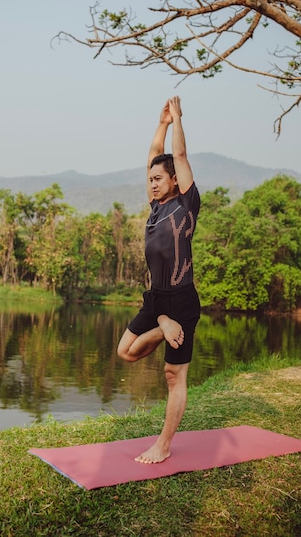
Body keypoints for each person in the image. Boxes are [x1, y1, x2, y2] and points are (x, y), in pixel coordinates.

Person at [117, 96, 201, 464]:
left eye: (157, 179)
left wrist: (178, 120)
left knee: (173, 375)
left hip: (181, 298)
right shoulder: (155, 206)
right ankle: (163, 324)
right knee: (126, 353)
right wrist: (161, 124)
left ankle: (163, 445)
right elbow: (155, 154)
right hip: (156, 301)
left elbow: (178, 158)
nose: (151, 184)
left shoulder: (186, 205)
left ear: (173, 181)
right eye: (149, 179)